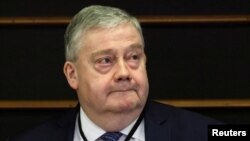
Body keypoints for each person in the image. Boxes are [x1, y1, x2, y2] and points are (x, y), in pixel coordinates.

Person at [8, 5, 221, 141]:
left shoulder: (206, 133)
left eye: (133, 57)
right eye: (105, 61)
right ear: (72, 75)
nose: (124, 72)